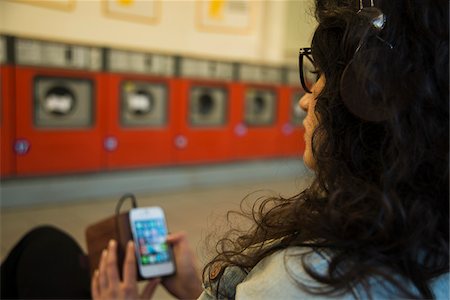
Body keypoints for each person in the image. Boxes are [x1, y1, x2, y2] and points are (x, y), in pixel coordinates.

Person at [2, 0, 448, 299]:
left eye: (321, 76)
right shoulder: (426, 241)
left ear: (366, 105)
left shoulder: (295, 281)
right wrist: (191, 286)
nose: (305, 98)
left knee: (39, 249)